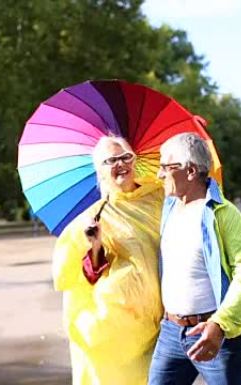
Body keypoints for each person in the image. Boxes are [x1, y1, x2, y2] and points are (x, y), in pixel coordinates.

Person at [149, 133, 241, 385]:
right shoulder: (169, 208)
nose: (159, 174)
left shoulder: (224, 214)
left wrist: (220, 325)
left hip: (213, 333)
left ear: (190, 171)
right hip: (171, 332)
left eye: (166, 167)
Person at [53, 136, 164, 385]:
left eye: (125, 157)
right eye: (110, 160)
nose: (120, 164)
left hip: (165, 314)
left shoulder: (160, 196)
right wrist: (95, 244)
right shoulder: (93, 217)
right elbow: (84, 276)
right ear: (100, 171)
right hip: (121, 323)